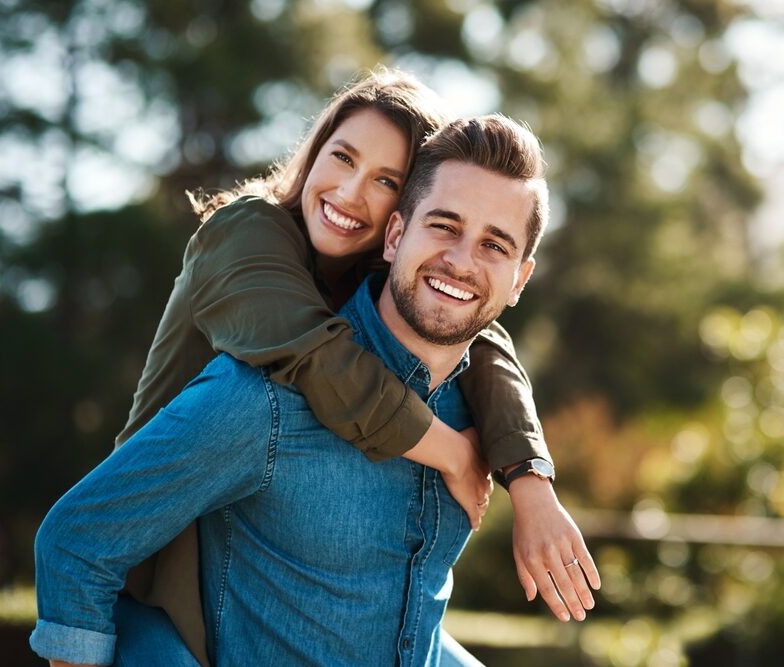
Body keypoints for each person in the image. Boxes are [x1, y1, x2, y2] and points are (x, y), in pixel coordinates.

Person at [31, 114, 600, 667]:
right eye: (444, 225)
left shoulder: (472, 403)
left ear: (520, 279)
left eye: (494, 246)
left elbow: (403, 626)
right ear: (396, 233)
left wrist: (531, 481)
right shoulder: (265, 396)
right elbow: (74, 545)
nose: (460, 261)